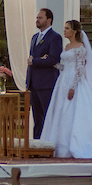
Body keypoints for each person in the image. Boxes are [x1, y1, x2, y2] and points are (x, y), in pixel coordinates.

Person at [40, 19, 92, 158]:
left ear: (74, 31)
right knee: (60, 110)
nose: (64, 30)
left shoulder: (80, 47)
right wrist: (54, 65)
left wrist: (73, 87)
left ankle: (74, 144)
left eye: (67, 28)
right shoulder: (66, 47)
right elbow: (65, 66)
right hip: (63, 79)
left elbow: (80, 68)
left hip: (75, 81)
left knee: (72, 110)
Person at [26, 8, 62, 139]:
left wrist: (35, 61)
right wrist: (28, 81)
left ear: (49, 20)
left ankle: (48, 143)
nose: (37, 20)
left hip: (46, 83)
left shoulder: (55, 37)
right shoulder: (35, 37)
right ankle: (37, 143)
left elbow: (53, 59)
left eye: (40, 18)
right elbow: (32, 59)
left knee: (47, 115)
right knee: (37, 118)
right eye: (37, 18)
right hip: (34, 83)